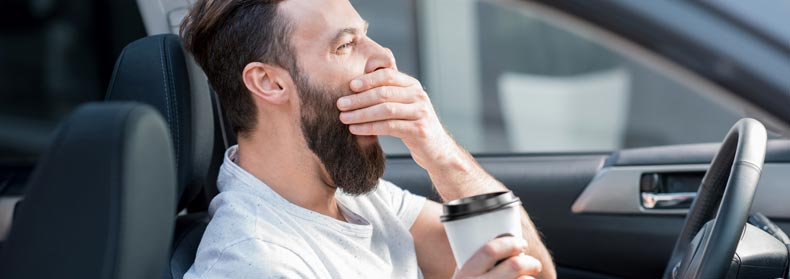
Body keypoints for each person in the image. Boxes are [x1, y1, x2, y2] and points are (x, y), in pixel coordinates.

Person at [180, 0, 555, 278]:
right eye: (345, 45)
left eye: (367, 35)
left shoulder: (355, 198)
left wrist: (442, 155)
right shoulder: (251, 260)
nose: (385, 57)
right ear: (269, 82)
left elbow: (531, 269)